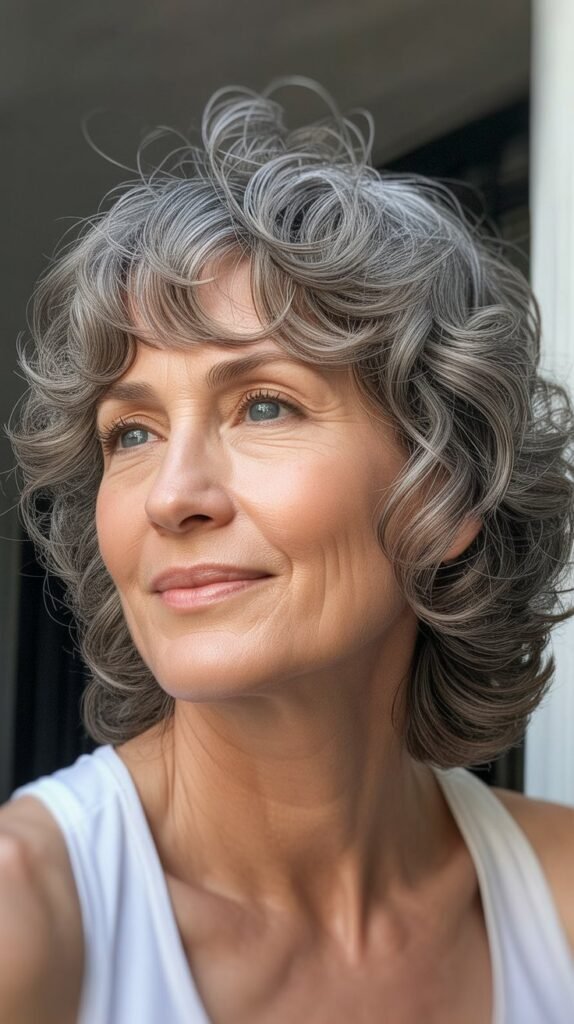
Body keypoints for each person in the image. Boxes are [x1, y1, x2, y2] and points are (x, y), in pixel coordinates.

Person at [1, 79, 574, 1024]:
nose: (174, 496)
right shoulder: (32, 921)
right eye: (131, 433)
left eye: (264, 405)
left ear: (447, 488)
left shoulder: (554, 908)